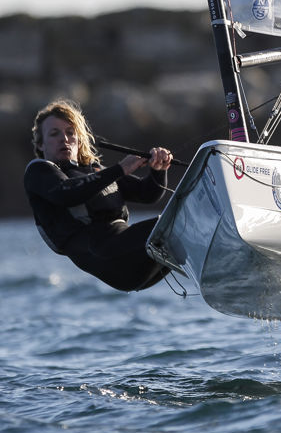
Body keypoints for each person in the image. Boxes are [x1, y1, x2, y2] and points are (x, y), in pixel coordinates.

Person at [24, 99, 174, 291]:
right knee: (175, 223)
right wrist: (120, 168)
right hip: (107, 255)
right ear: (41, 145)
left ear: (79, 139)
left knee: (177, 226)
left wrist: (158, 170)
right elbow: (68, 193)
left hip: (136, 261)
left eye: (70, 133)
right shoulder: (39, 172)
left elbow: (148, 194)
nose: (64, 138)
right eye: (54, 134)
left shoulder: (95, 171)